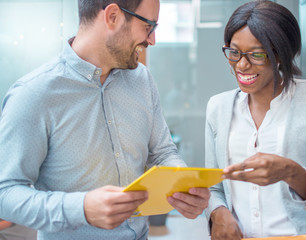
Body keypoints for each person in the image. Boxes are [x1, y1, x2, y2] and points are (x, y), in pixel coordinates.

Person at [0, 0, 210, 239]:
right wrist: (81, 208)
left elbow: (162, 152)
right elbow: (5, 193)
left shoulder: (142, 80)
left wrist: (183, 186)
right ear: (112, 16)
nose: (152, 40)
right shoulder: (33, 94)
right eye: (149, 26)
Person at [204, 1, 306, 239]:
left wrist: (290, 172)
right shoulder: (217, 108)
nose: (242, 64)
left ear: (281, 54)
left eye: (257, 55)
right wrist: (218, 213)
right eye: (234, 52)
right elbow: (214, 187)